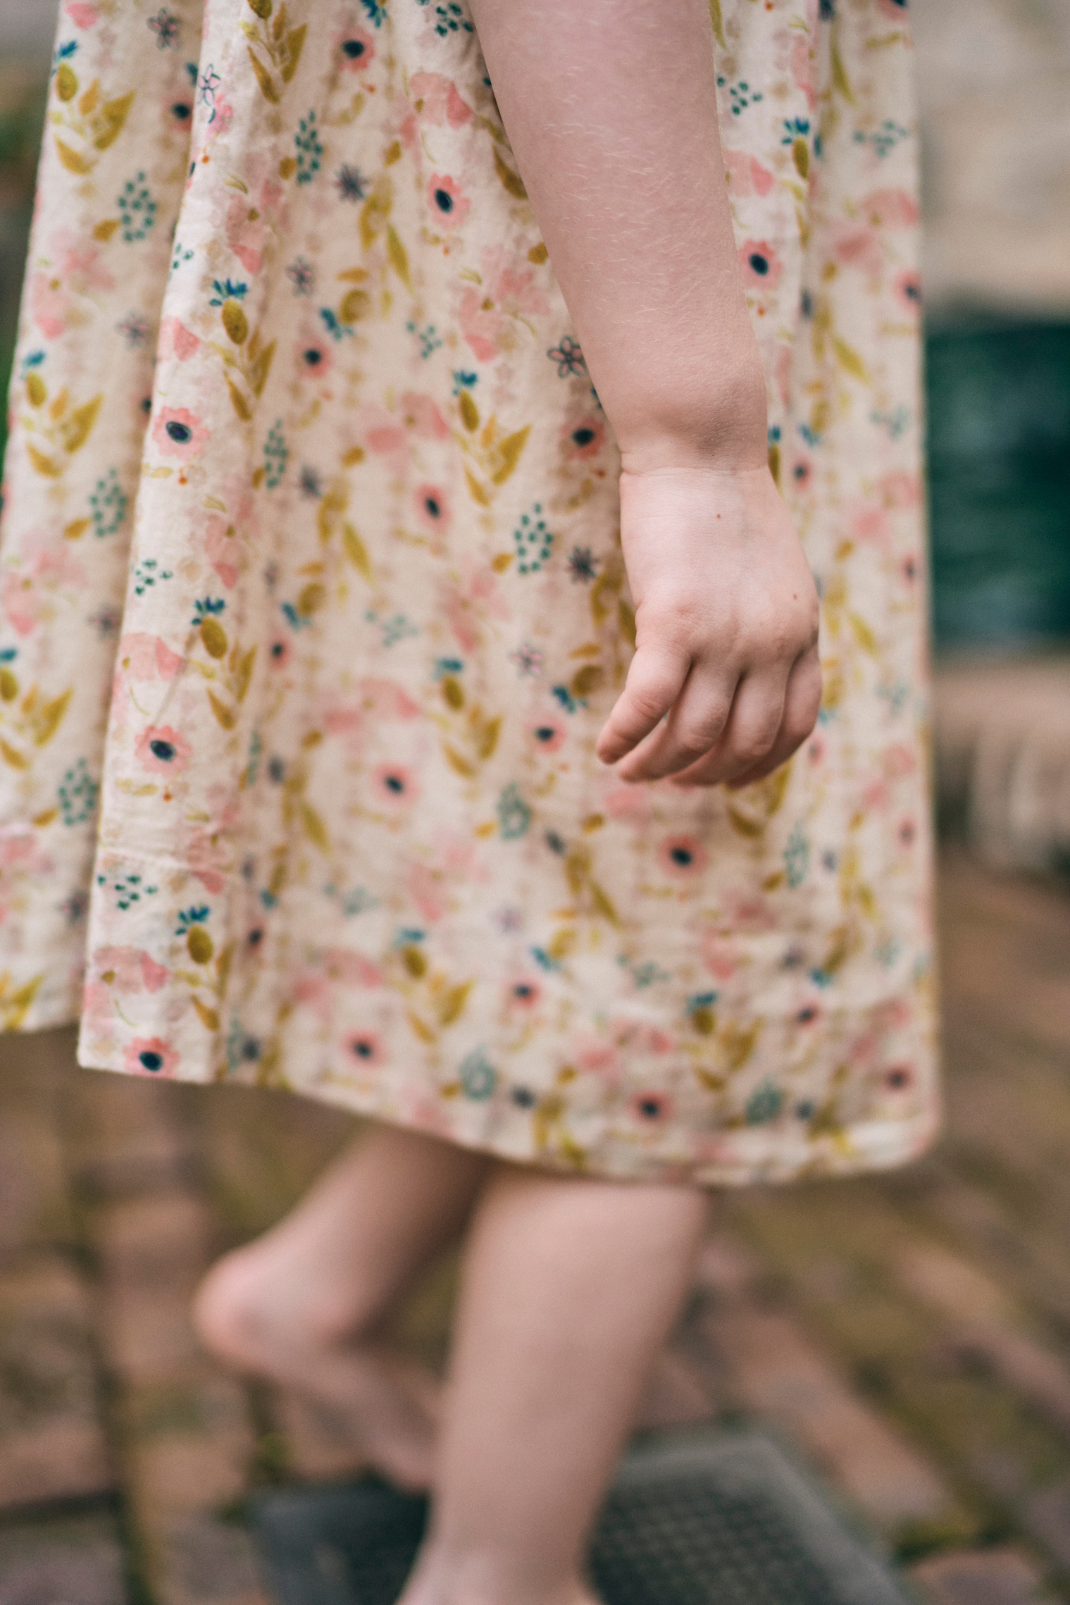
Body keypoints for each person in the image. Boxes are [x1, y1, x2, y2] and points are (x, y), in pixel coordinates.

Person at [0, 0, 936, 1599]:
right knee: (670, 1013)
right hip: (602, 275)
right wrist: (695, 446)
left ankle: (317, 1290)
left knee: (561, 923)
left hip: (501, 242)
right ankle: (503, 1577)